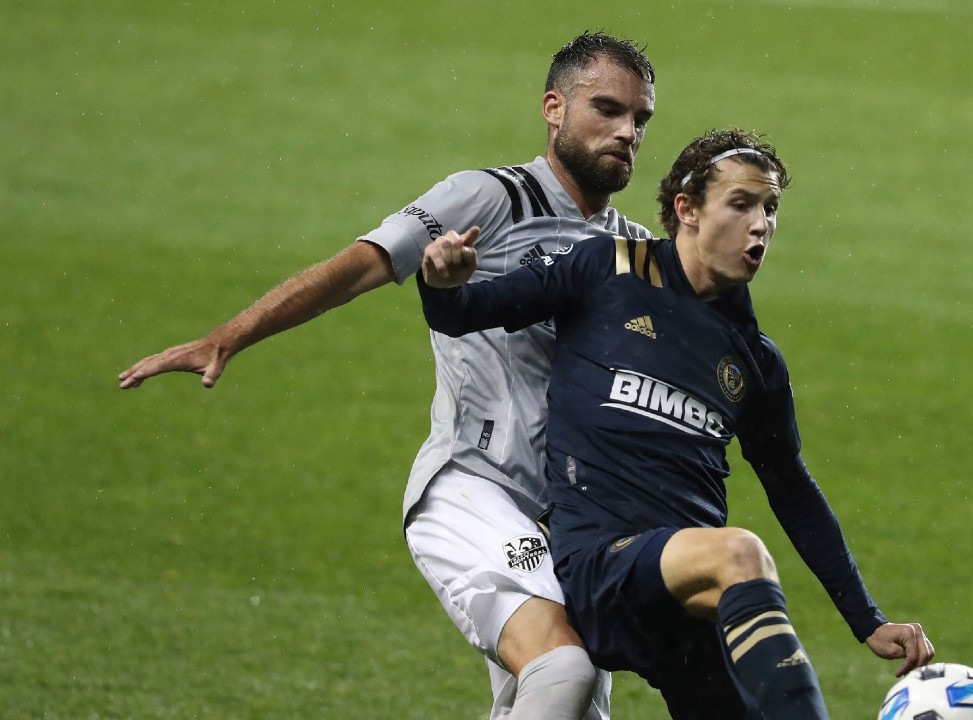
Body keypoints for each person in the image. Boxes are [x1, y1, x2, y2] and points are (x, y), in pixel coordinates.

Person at [118, 32, 657, 720]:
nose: (625, 132)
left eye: (639, 119)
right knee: (563, 669)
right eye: (606, 109)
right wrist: (230, 336)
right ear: (553, 108)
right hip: (472, 491)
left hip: (569, 524)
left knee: (566, 705)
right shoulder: (486, 199)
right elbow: (358, 267)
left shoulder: (636, 253)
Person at [417, 128, 936, 719]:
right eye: (741, 204)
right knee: (740, 553)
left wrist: (866, 619)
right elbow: (468, 314)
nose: (761, 223)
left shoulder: (756, 360)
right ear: (686, 209)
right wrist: (443, 282)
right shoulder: (605, 267)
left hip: (682, 596)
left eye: (770, 208)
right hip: (599, 564)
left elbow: (792, 490)